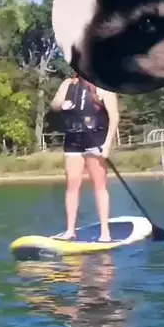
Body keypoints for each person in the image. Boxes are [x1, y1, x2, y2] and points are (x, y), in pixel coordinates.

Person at [50, 73, 119, 242]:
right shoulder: (68, 84)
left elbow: (114, 116)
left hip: (95, 138)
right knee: (72, 185)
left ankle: (105, 233)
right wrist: (61, 104)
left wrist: (107, 144)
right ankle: (70, 231)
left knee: (99, 185)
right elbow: (54, 104)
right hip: (73, 138)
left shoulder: (103, 86)